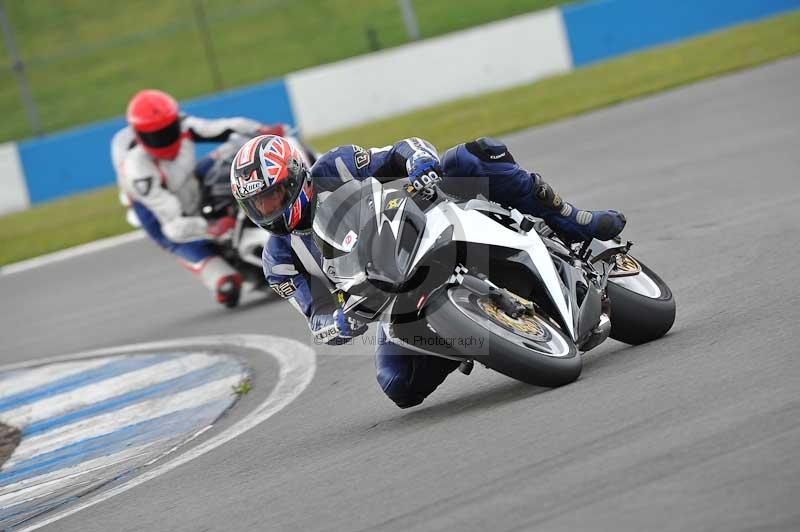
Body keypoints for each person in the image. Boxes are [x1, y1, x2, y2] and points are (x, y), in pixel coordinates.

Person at [230, 135, 626, 407]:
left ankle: (572, 220)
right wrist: (337, 324)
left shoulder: (335, 166)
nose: (268, 209)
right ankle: (468, 333)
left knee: (473, 156)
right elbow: (315, 316)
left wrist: (420, 163)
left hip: (420, 221)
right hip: (385, 295)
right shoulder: (278, 262)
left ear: (296, 177)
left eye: (273, 195)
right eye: (258, 204)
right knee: (398, 386)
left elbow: (402, 150)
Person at [111, 89, 286, 307]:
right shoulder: (138, 170)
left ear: (175, 120)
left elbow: (224, 127)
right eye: (154, 136)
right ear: (140, 136)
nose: (163, 139)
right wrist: (211, 227)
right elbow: (173, 226)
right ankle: (235, 269)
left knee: (235, 159)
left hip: (190, 181)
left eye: (168, 130)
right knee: (228, 288)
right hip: (161, 214)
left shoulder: (184, 125)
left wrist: (262, 131)